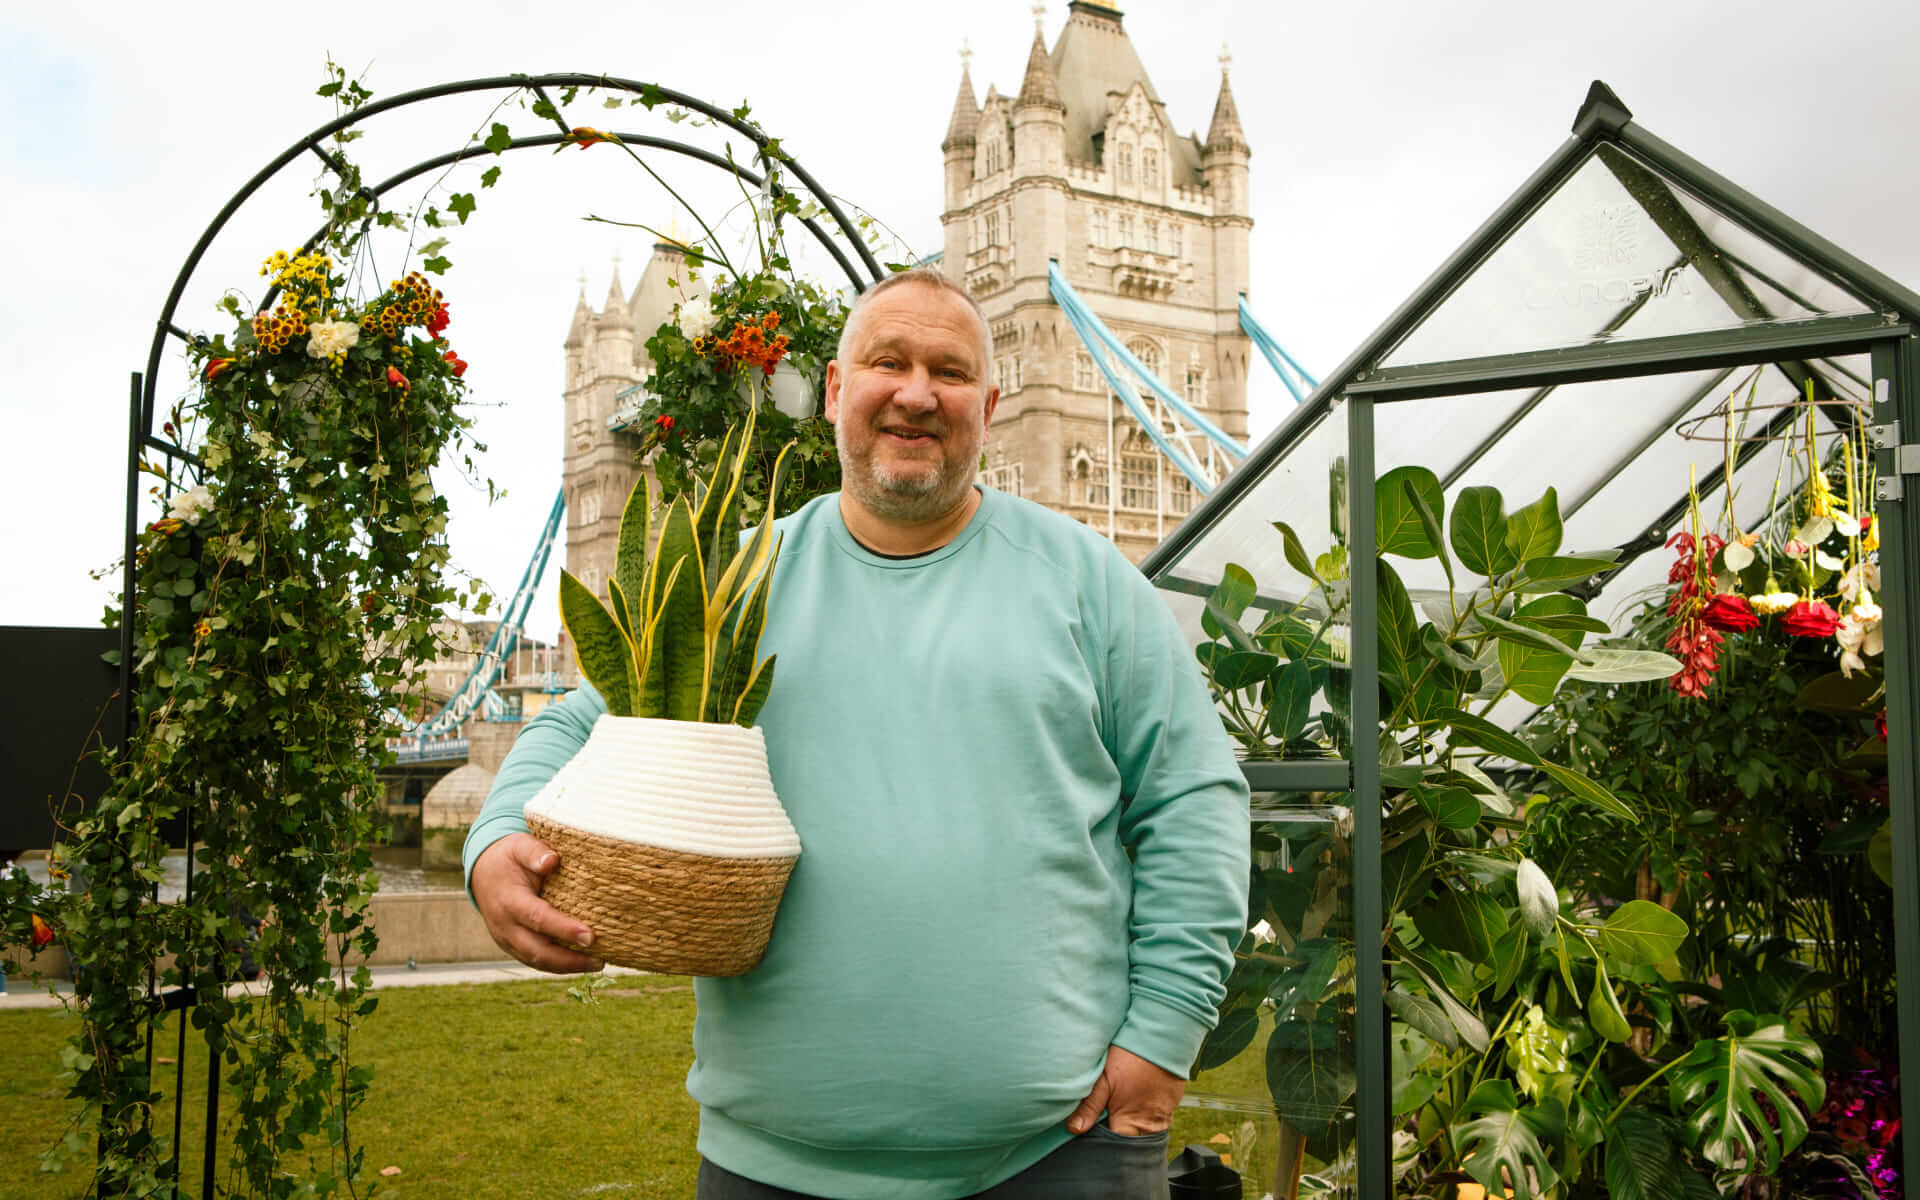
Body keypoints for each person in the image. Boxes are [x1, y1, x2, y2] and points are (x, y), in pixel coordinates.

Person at [465, 268, 1250, 1200]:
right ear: (836, 391)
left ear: (989, 406)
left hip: (1061, 1152)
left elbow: (1192, 802)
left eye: (950, 372)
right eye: (889, 362)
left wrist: (1163, 1034)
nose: (917, 394)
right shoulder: (738, 584)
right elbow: (581, 724)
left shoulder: (1090, 580)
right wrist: (495, 841)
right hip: (774, 1165)